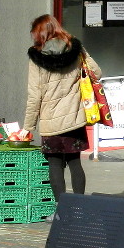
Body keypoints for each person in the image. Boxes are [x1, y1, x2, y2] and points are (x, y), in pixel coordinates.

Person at [20, 14, 101, 203]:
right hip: (75, 118)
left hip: (51, 121)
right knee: (75, 163)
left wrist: (28, 127)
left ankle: (61, 209)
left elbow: (35, 95)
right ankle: (79, 206)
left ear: (40, 33)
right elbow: (96, 71)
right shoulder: (76, 48)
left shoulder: (36, 56)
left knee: (55, 165)